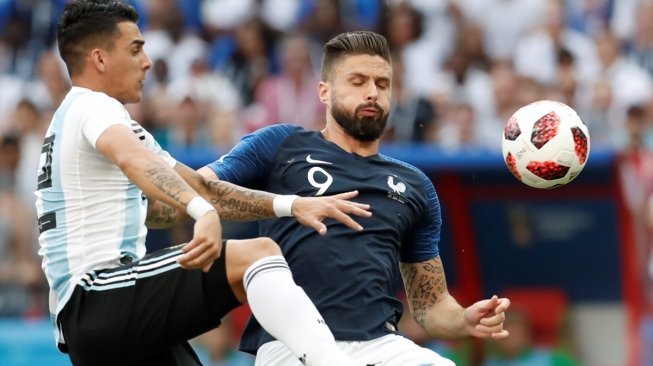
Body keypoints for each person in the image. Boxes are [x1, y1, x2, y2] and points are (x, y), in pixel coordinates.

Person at [36, 1, 371, 365]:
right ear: (99, 59)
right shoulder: (93, 107)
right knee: (257, 254)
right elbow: (137, 163)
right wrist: (202, 212)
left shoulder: (86, 118)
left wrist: (291, 205)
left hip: (98, 321)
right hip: (98, 296)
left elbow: (199, 188)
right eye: (135, 48)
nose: (147, 61)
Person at [199, 30, 511, 365]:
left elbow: (430, 305)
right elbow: (199, 189)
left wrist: (464, 319)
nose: (372, 93)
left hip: (381, 345)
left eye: (382, 83)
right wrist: (287, 205)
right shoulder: (281, 144)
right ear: (324, 91)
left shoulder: (414, 185)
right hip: (291, 345)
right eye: (358, 81)